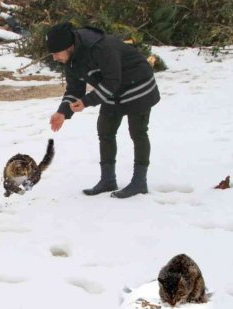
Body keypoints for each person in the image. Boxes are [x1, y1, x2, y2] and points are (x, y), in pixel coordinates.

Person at [46, 22, 160, 198]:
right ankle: (108, 180)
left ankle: (139, 182)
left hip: (138, 85)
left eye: (55, 53)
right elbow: (75, 89)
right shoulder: (71, 59)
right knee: (105, 130)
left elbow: (112, 81)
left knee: (138, 132)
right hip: (112, 89)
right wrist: (63, 112)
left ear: (68, 46)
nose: (54, 58)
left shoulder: (102, 47)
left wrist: (86, 102)